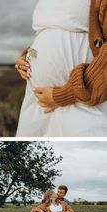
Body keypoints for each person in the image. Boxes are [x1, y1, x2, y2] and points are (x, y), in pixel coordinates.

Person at [15, 0, 107, 137]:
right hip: (38, 101)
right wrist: (29, 57)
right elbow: (51, 32)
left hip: (84, 101)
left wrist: (67, 94)